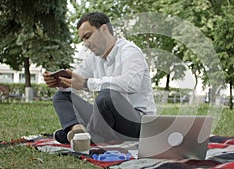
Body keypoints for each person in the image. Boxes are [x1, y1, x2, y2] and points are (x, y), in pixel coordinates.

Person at [43, 12, 156, 144]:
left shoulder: (130, 51)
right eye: (83, 40)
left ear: (104, 29)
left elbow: (131, 84)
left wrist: (87, 84)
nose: (85, 44)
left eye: (88, 36)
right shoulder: (93, 59)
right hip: (109, 121)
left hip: (137, 122)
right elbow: (78, 79)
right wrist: (62, 82)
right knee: (61, 97)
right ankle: (78, 130)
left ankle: (90, 136)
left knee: (107, 97)